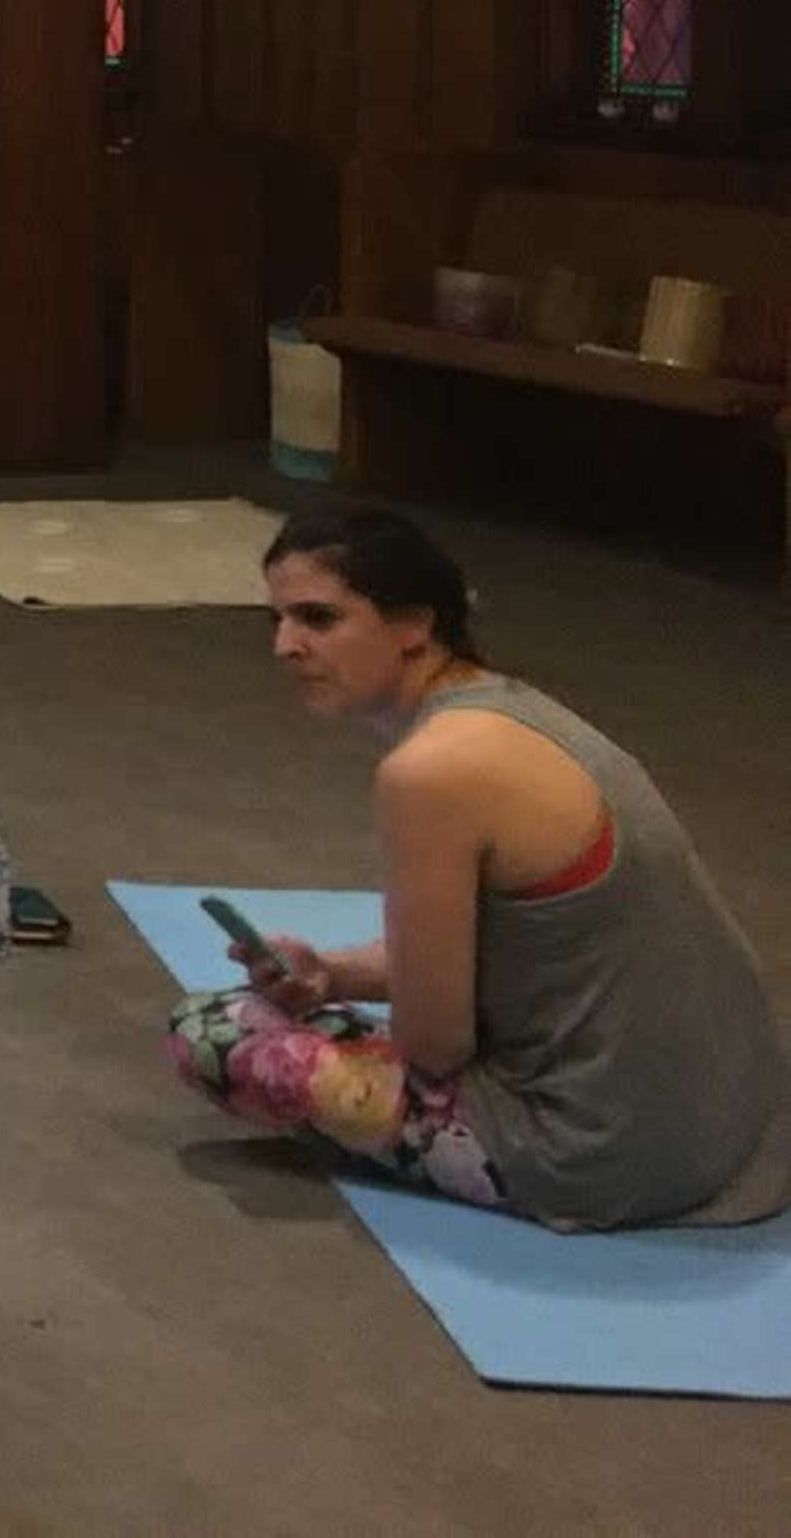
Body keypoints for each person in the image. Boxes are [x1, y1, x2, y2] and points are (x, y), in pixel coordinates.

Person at [165, 506, 791, 1231]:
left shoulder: (431, 772)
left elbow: (436, 1045)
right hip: (739, 1121)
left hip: (604, 1157)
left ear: (413, 625)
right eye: (276, 621)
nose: (284, 645)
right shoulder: (514, 715)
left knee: (211, 1029)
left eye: (318, 619)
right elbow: (523, 951)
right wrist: (332, 976)